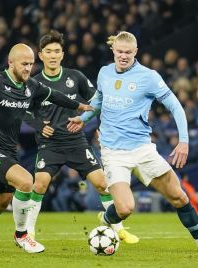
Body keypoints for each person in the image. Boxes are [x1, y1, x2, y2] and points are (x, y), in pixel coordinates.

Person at [67, 31, 198, 253]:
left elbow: (175, 106)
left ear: (135, 52)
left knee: (179, 196)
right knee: (125, 208)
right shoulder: (104, 73)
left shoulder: (148, 77)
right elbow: (97, 103)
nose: (123, 56)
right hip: (113, 152)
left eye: (128, 52)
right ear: (113, 51)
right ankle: (108, 219)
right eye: (119, 52)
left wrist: (183, 141)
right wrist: (83, 118)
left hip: (143, 149)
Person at [0, 43, 93, 253]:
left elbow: (53, 95)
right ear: (11, 63)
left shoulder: (31, 86)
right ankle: (22, 235)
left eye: (30, 64)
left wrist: (80, 106)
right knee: (27, 181)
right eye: (24, 64)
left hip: (8, 152)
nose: (28, 68)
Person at [24, 30, 138, 243]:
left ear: (62, 54)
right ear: (40, 55)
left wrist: (100, 124)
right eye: (48, 51)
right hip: (50, 145)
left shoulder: (75, 77)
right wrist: (39, 125)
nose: (53, 55)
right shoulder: (34, 83)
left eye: (57, 51)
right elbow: (24, 110)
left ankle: (118, 229)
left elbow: (97, 101)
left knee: (103, 184)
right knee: (39, 184)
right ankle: (28, 232)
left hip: (76, 142)